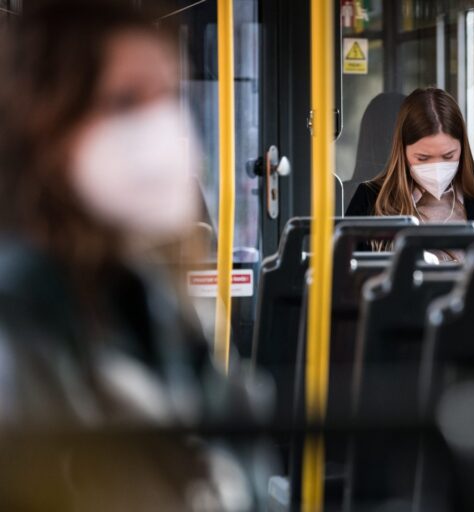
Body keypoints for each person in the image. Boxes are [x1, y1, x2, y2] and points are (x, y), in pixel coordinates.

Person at [0, 2, 272, 509]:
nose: (156, 131)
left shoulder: (136, 291)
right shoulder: (17, 311)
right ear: (45, 121)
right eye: (125, 103)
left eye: (167, 99)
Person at [345, 87, 474, 226]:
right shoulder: (369, 201)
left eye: (448, 156)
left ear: (463, 148)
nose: (437, 168)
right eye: (423, 158)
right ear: (402, 151)